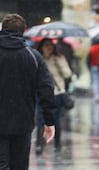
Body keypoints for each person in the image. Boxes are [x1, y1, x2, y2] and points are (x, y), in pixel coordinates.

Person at [0, 13, 56, 170]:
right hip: (22, 122)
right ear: (23, 31)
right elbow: (46, 89)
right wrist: (49, 120)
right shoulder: (33, 56)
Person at [35, 38, 72, 154]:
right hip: (40, 93)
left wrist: (58, 63)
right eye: (46, 45)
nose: (48, 47)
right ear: (41, 47)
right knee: (40, 119)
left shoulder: (59, 58)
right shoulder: (37, 58)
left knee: (56, 119)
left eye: (50, 45)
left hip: (56, 93)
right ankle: (39, 144)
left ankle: (57, 143)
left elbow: (68, 74)